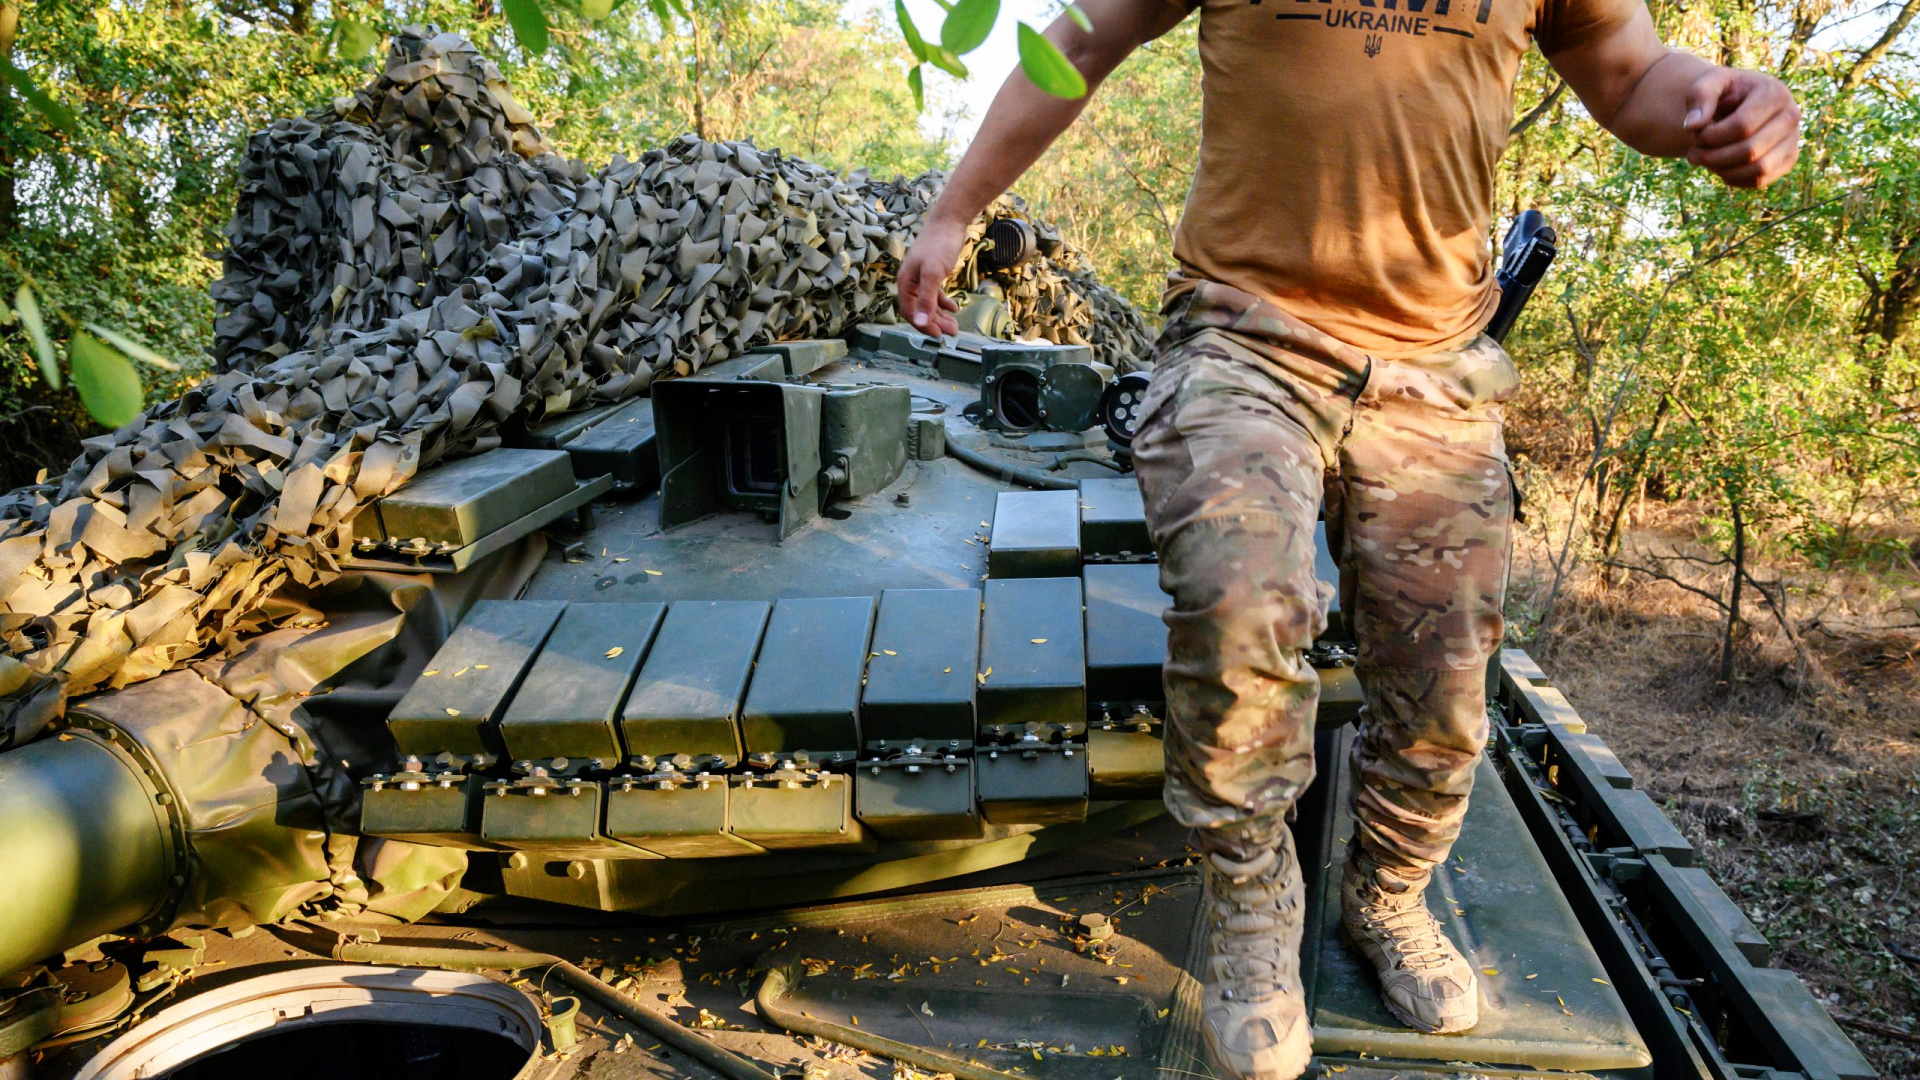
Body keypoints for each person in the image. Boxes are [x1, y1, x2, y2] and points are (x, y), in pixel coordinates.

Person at [897, 1, 1799, 1077]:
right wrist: (955, 211)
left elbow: (1629, 69)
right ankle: (1251, 903)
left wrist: (1719, 99)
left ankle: (1387, 895)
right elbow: (1081, 40)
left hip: (1434, 366)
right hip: (1243, 337)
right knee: (1239, 607)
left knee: (1447, 677)